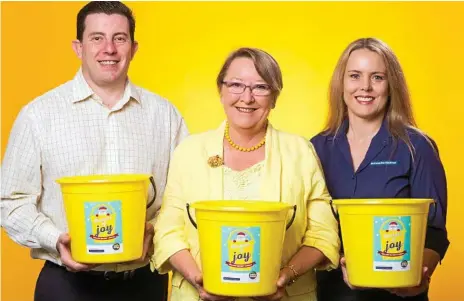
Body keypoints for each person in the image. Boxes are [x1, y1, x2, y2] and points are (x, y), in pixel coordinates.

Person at [0, 2, 188, 301]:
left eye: (120, 38)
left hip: (143, 284)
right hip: (65, 285)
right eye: (97, 38)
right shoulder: (38, 115)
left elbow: (183, 198)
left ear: (134, 47)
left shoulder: (164, 116)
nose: (109, 49)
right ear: (78, 47)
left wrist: (152, 231)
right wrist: (55, 239)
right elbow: (11, 201)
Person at [153, 47, 341, 301]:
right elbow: (168, 231)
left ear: (274, 97)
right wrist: (199, 279)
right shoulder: (189, 151)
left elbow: (323, 233)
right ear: (220, 90)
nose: (247, 97)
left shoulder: (300, 152)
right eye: (236, 85)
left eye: (260, 87)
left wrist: (286, 275)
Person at [311, 37, 449, 301]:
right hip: (329, 294)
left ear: (391, 85)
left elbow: (434, 232)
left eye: (377, 77)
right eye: (355, 76)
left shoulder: (416, 147)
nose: (365, 87)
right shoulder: (316, 148)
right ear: (341, 83)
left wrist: (419, 276)